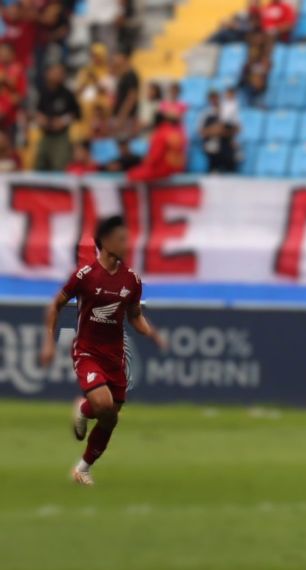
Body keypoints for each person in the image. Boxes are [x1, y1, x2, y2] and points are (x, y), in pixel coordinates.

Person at [38, 215, 166, 487]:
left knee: (110, 417)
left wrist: (152, 333)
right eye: (121, 239)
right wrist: (49, 342)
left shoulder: (131, 280)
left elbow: (134, 316)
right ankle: (87, 408)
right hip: (87, 352)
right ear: (106, 243)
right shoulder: (85, 276)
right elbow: (55, 305)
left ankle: (82, 467)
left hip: (114, 356)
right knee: (105, 405)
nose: (127, 244)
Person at [34, 64, 80, 172]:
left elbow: (76, 113)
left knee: (59, 165)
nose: (59, 76)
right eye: (55, 73)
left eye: (61, 73)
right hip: (45, 134)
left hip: (61, 136)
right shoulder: (42, 92)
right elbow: (37, 110)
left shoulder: (67, 94)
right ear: (48, 74)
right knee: (40, 164)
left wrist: (63, 121)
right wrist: (40, 118)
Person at [127, 109, 186, 181]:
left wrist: (144, 163)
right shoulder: (178, 132)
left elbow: (155, 157)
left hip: (164, 170)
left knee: (131, 174)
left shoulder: (160, 133)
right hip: (179, 168)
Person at [199, 89, 240, 173]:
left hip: (226, 144)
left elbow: (236, 128)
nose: (214, 100)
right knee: (212, 149)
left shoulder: (228, 112)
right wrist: (215, 130)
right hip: (212, 144)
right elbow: (201, 131)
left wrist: (223, 131)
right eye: (212, 98)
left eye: (216, 98)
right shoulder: (205, 114)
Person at [109, 50, 140, 139]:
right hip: (119, 116)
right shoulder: (123, 75)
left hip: (125, 118)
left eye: (118, 56)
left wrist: (121, 118)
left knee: (123, 142)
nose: (116, 58)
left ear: (124, 58)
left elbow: (131, 98)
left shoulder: (131, 76)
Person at [0, 42, 27, 139]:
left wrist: (6, 80)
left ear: (12, 54)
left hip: (11, 117)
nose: (3, 54)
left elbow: (21, 95)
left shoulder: (18, 70)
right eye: (1, 51)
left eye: (6, 52)